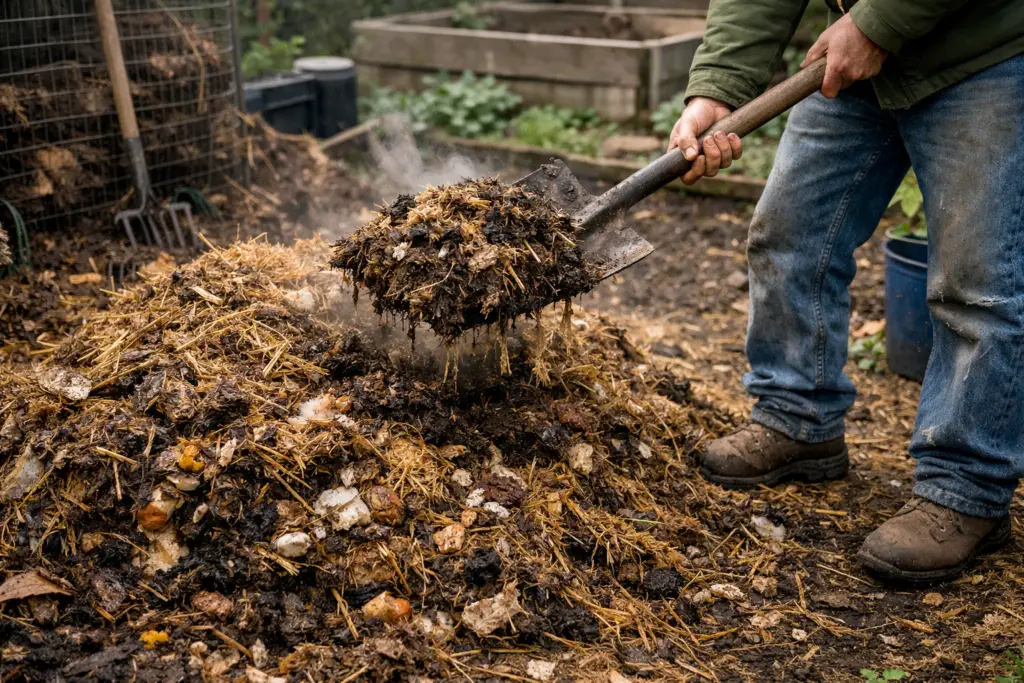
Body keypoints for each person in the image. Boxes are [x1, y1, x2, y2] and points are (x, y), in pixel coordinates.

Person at [669, 0, 1024, 583]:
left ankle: (966, 484)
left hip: (981, 52)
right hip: (856, 59)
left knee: (976, 284)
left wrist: (878, 23)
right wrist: (718, 87)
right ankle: (796, 414)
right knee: (789, 232)